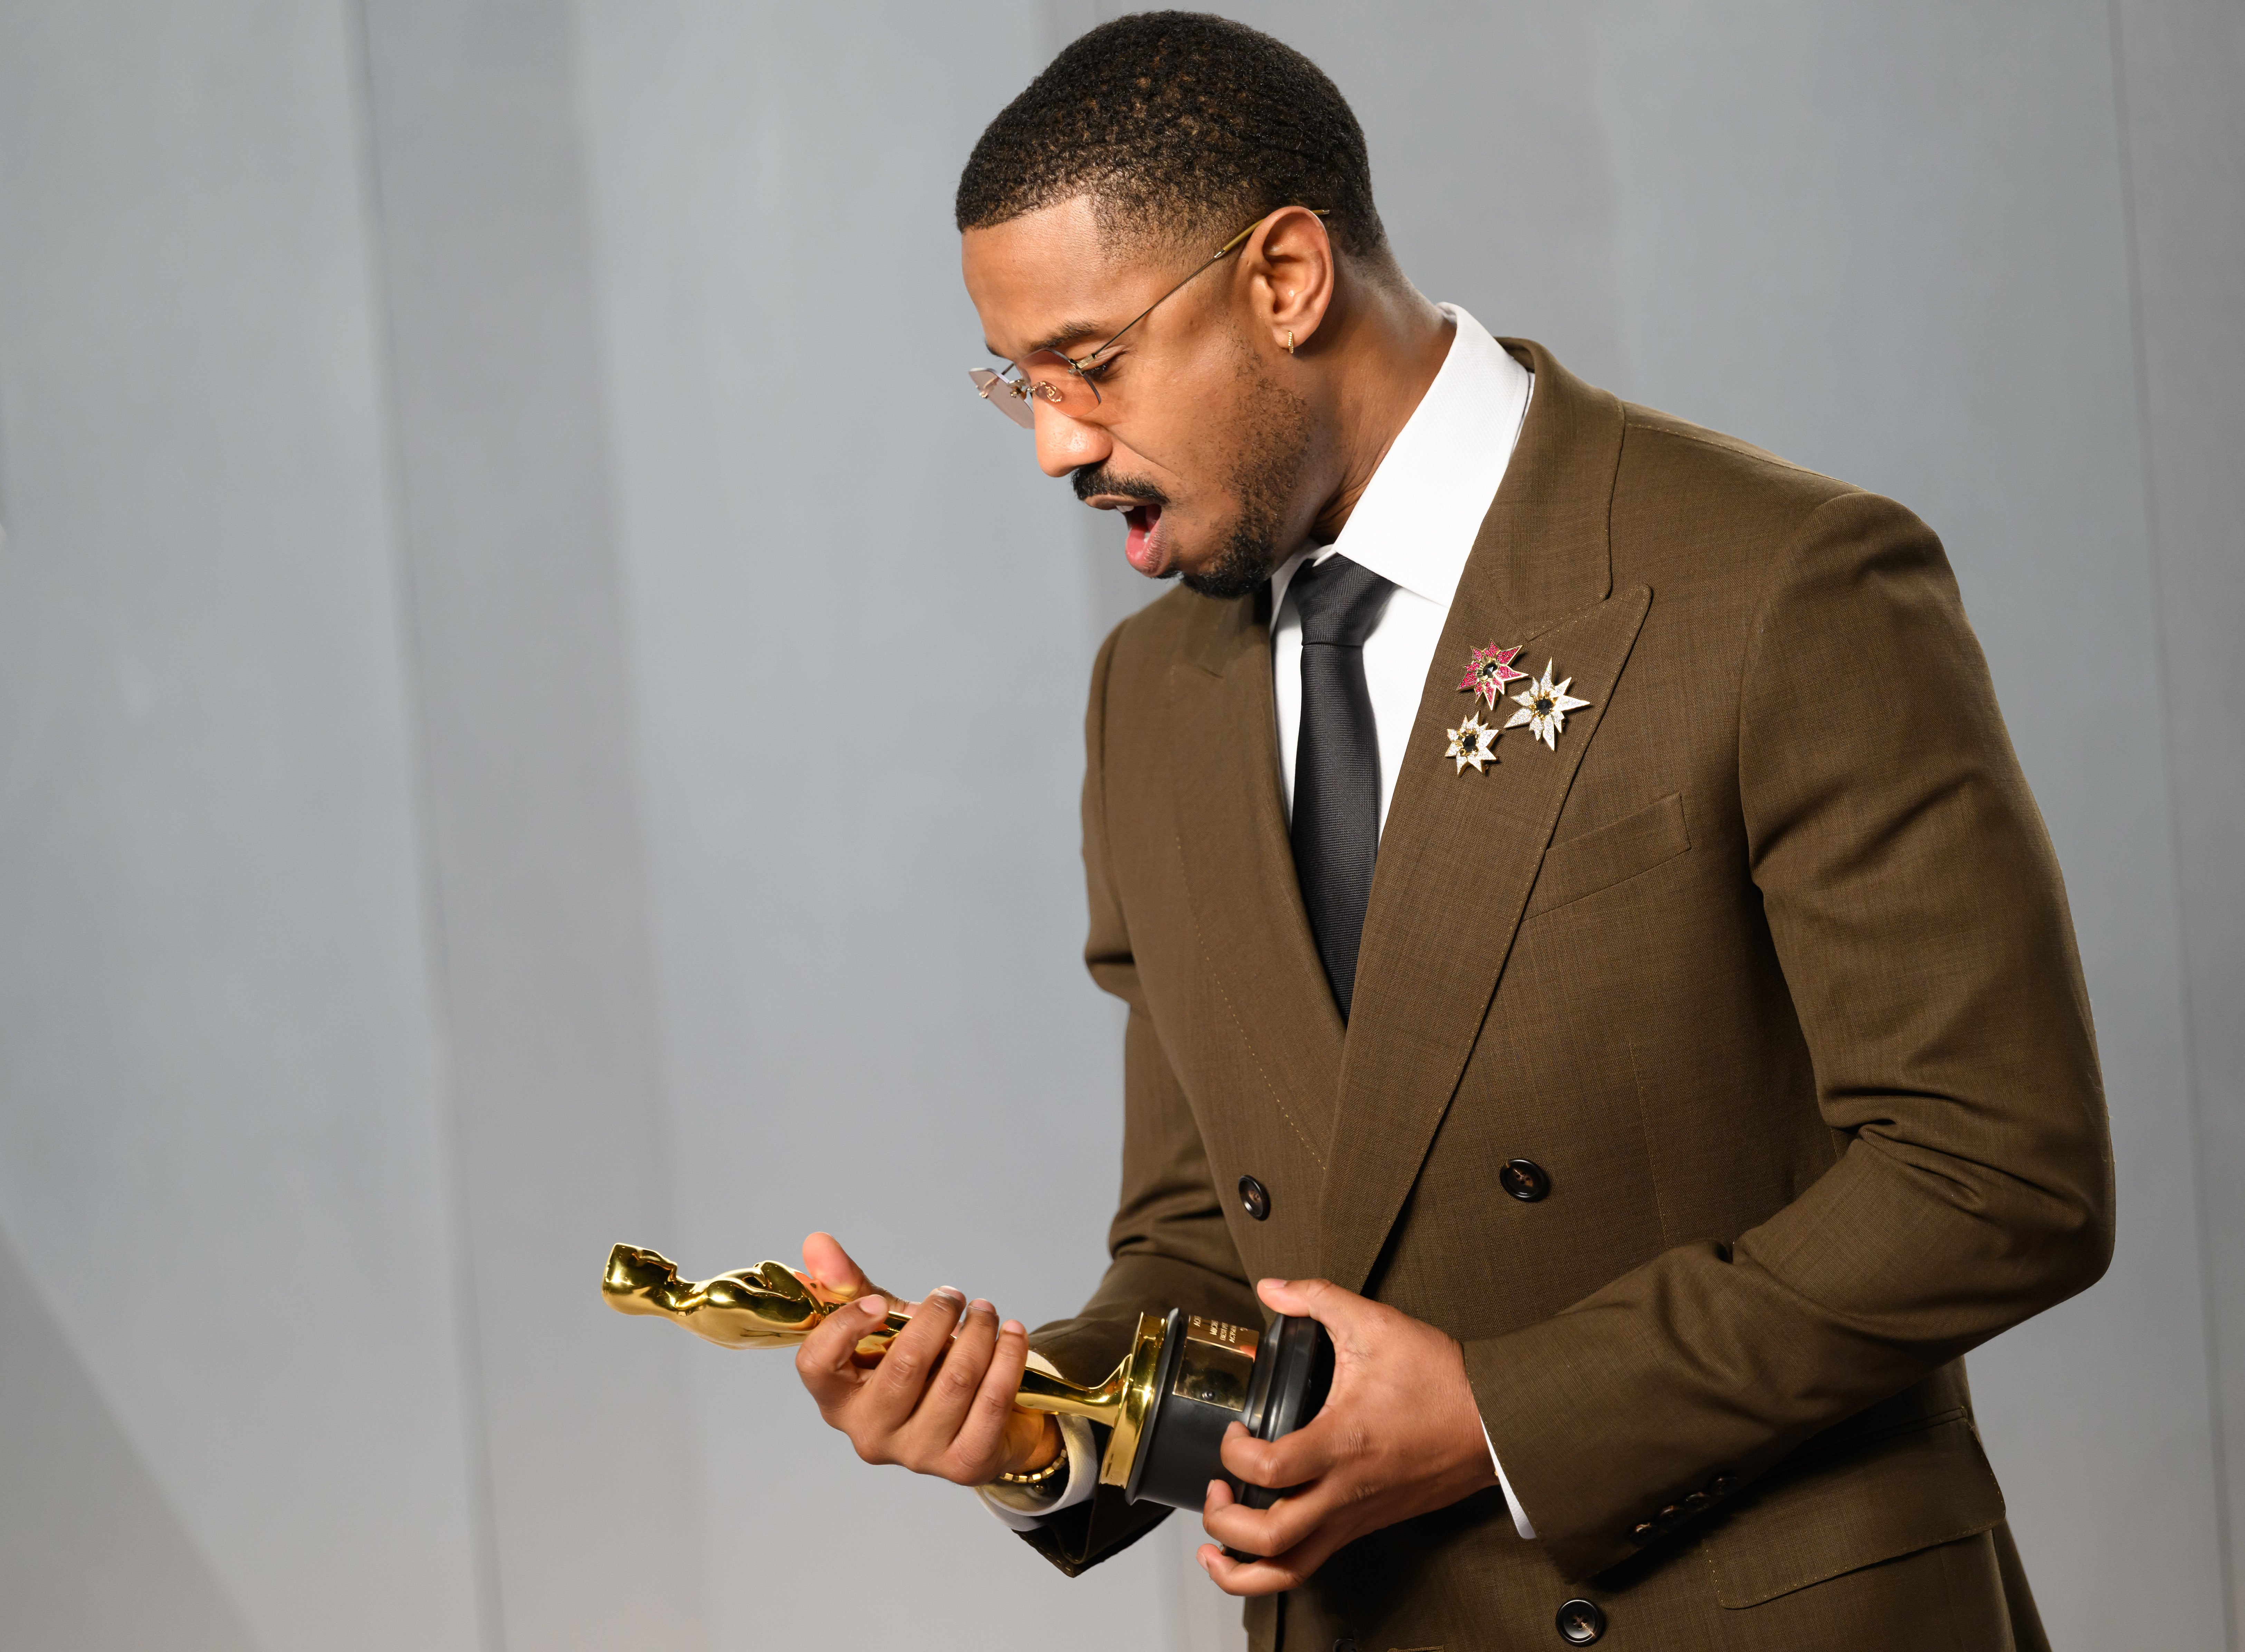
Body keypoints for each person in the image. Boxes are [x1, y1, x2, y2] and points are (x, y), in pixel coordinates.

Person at [788, 13, 2113, 1649]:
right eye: (1020, 385)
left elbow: (1996, 1172)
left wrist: (1500, 1413)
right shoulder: (1152, 692)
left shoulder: (1776, 582)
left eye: (1091, 366)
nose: (1057, 442)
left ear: (1282, 278)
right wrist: (1047, 1428)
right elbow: (1218, 1240)